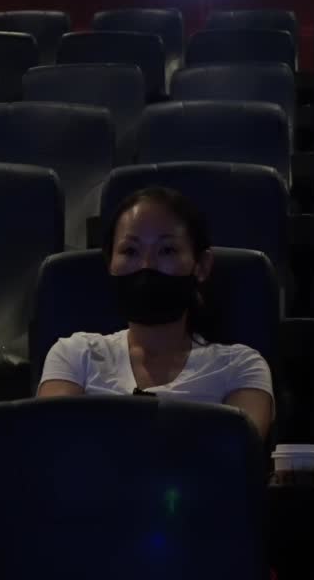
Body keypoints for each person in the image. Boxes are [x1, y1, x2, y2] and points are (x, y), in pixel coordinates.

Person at [37, 186, 274, 439]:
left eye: (167, 251)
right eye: (130, 251)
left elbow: (235, 456)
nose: (146, 266)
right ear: (110, 264)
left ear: (201, 265)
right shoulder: (74, 355)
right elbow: (54, 445)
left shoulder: (240, 367)